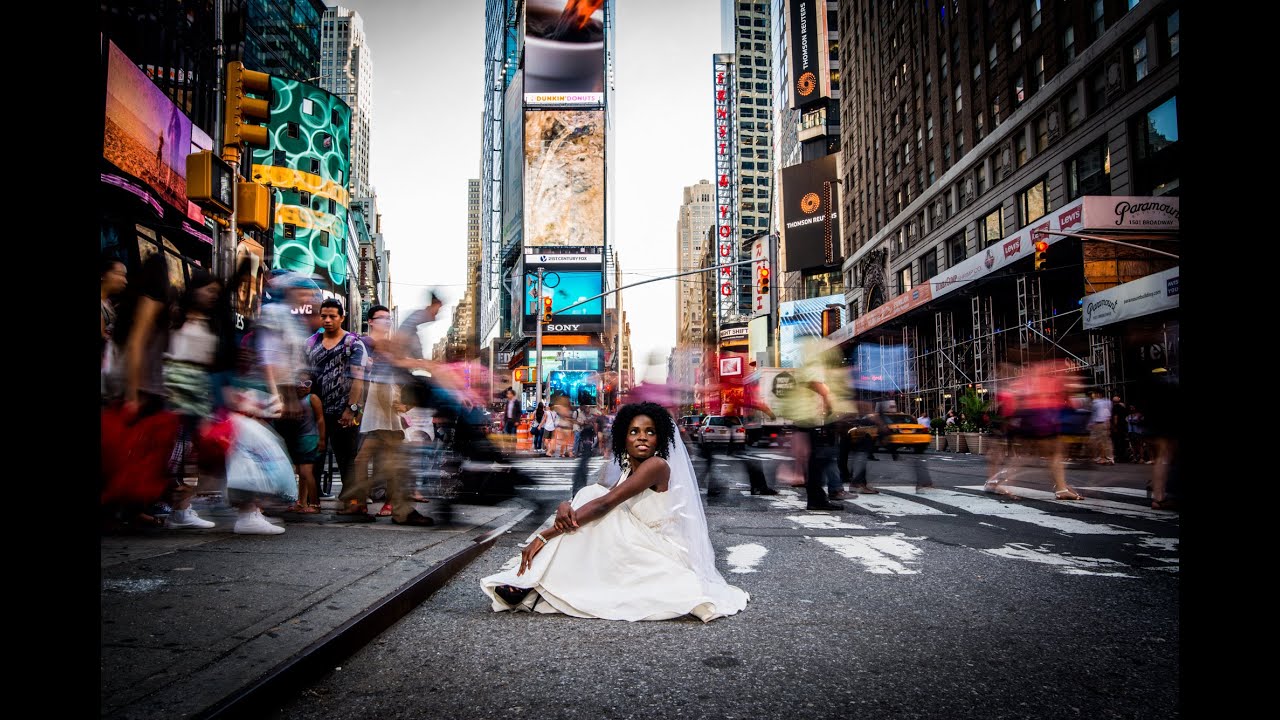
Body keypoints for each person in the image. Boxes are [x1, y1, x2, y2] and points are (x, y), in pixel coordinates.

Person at [480, 402, 749, 622]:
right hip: (633, 539)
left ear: (660, 438)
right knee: (589, 497)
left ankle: (533, 585)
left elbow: (605, 503)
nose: (642, 436)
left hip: (658, 548)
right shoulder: (625, 466)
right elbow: (594, 494)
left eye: (650, 431)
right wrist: (566, 505)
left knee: (599, 509)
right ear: (623, 436)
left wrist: (543, 536)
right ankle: (536, 585)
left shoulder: (657, 465)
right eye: (634, 431)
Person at [344, 305, 434, 525]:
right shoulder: (362, 343)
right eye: (381, 318)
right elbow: (358, 377)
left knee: (382, 460)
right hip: (377, 403)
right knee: (381, 460)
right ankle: (380, 506)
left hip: (385, 404)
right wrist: (353, 406)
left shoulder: (391, 345)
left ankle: (366, 504)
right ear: (370, 321)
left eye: (388, 318)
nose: (386, 321)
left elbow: (403, 372)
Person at [307, 299, 371, 519]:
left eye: (332, 316)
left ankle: (354, 503)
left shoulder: (353, 343)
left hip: (343, 411)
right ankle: (310, 501)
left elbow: (358, 379)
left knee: (347, 459)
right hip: (314, 411)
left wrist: (351, 408)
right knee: (314, 457)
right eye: (324, 315)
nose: (327, 320)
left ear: (342, 317)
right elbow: (305, 375)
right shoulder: (311, 342)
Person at [283, 371, 325, 514]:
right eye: (299, 383)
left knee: (306, 472)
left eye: (307, 383)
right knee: (301, 473)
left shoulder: (312, 398)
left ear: (312, 385)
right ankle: (301, 502)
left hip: (310, 439)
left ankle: (315, 503)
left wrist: (322, 439)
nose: (302, 386)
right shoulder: (293, 401)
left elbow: (320, 419)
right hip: (299, 440)